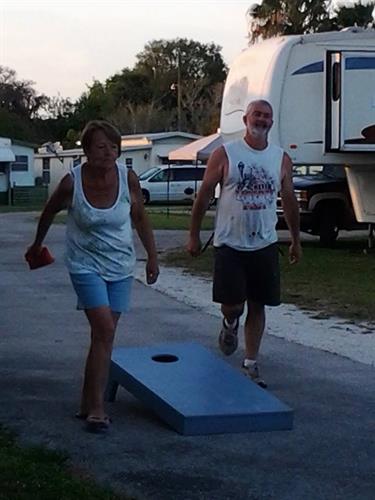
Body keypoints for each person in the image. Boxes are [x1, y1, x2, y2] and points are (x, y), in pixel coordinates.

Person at [25, 120, 159, 432]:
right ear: (86, 150)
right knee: (104, 329)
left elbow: (139, 217)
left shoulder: (128, 179)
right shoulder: (72, 182)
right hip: (85, 265)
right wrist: (37, 243)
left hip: (121, 267)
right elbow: (49, 211)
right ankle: (97, 409)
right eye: (101, 146)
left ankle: (87, 400)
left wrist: (152, 256)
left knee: (103, 335)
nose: (108, 152)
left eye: (114, 147)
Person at [187, 99, 302, 388]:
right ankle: (229, 323)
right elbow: (202, 197)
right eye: (257, 115)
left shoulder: (281, 159)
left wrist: (296, 240)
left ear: (271, 123)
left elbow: (289, 201)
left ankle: (251, 364)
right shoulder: (225, 154)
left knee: (259, 304)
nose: (261, 120)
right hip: (230, 244)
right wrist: (194, 234)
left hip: (264, 243)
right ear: (246, 119)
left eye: (266, 116)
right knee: (233, 305)